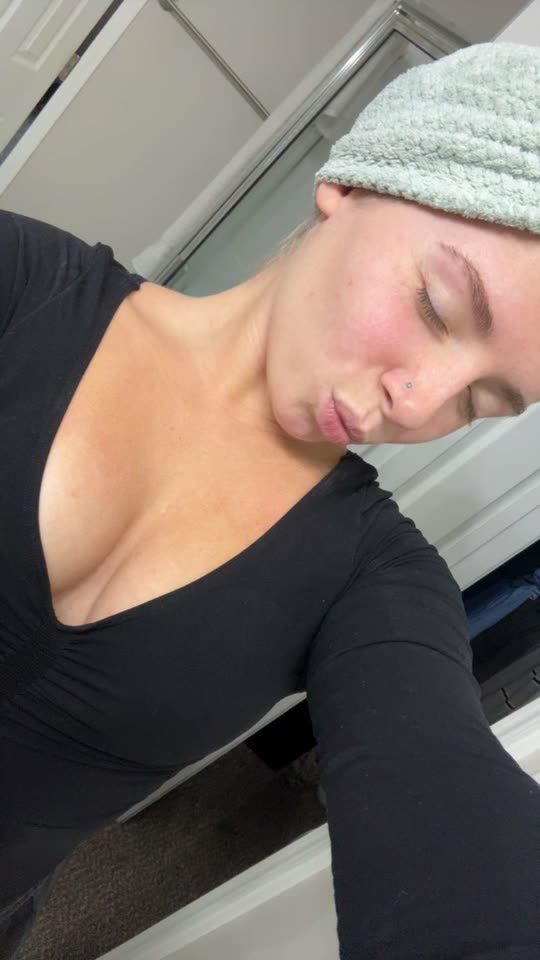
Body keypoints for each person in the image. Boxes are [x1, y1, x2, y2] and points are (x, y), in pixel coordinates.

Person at [1, 39, 540, 960]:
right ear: (352, 184)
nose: (420, 403)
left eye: (482, 401)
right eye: (437, 307)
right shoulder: (22, 286)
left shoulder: (374, 578)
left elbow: (440, 787)